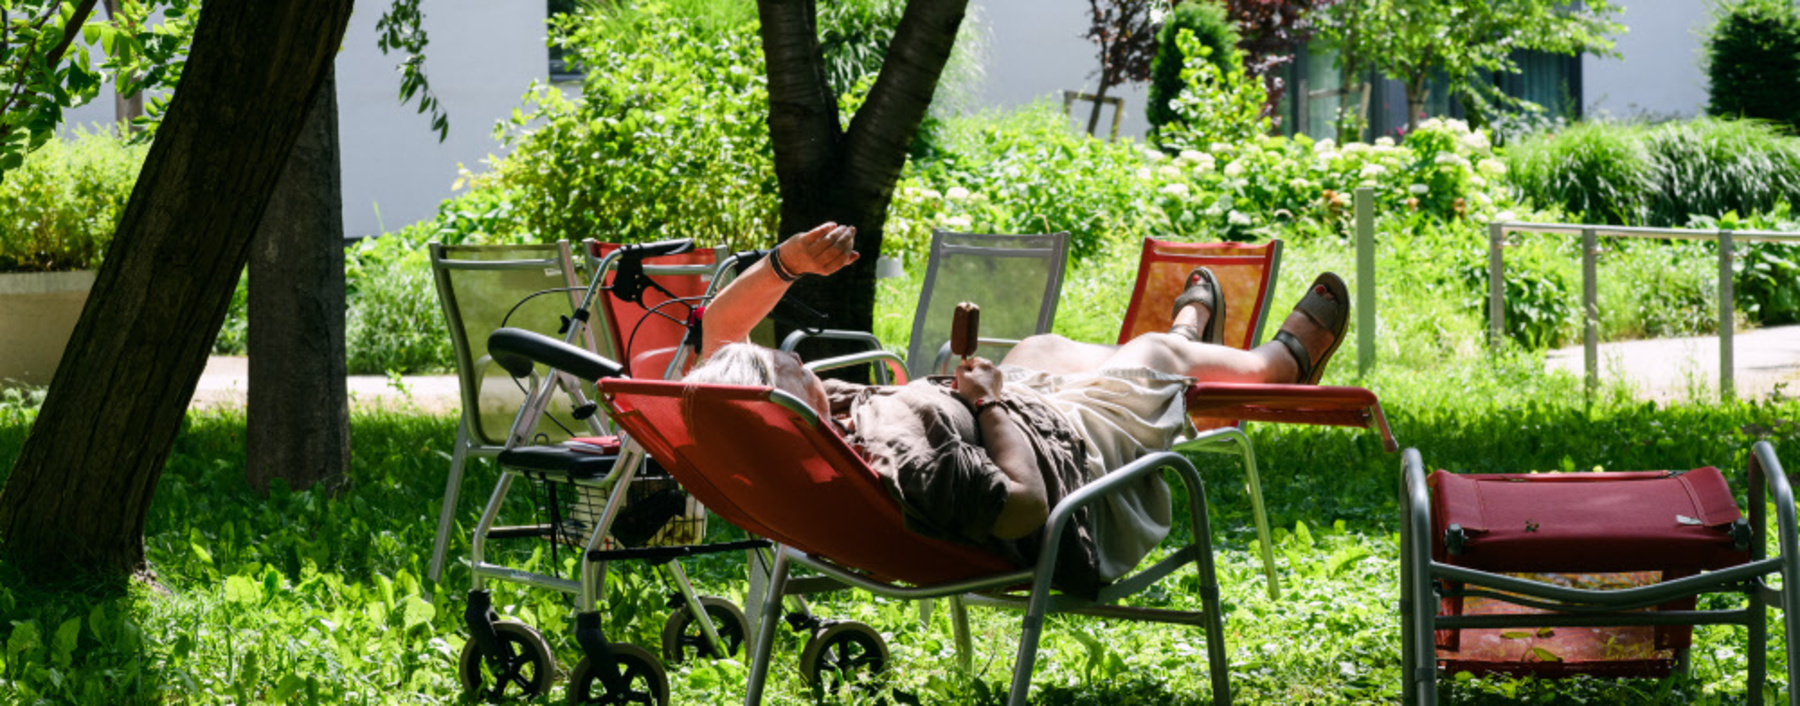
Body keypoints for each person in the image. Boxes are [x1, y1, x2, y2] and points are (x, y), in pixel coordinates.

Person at [685, 222, 1348, 594]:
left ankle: (1188, 331)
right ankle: (1274, 363)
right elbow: (1026, 506)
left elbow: (718, 334)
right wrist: (991, 402)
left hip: (1019, 414)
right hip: (1075, 473)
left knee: (1043, 343)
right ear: (784, 404)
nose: (794, 358)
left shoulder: (813, 436)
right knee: (1155, 357)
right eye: (785, 365)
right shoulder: (905, 461)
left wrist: (786, 262)